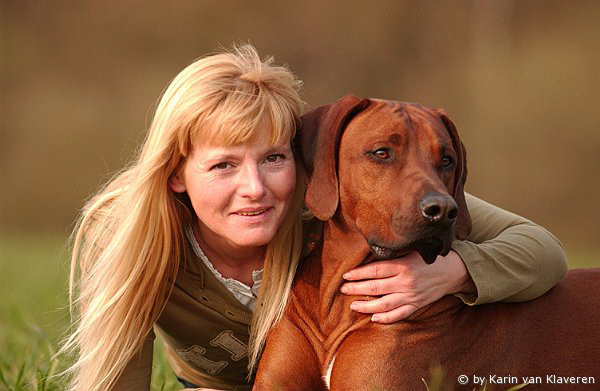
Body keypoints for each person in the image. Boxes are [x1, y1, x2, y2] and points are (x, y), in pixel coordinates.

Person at [62, 44, 567, 391]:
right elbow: (114, 376)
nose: (255, 188)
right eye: (223, 165)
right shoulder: (129, 232)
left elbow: (543, 249)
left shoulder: (330, 188)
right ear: (176, 173)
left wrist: (449, 272)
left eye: (273, 158)